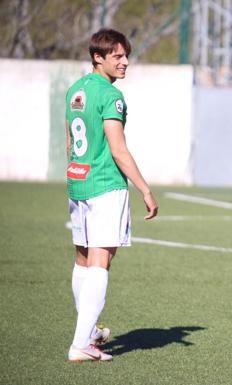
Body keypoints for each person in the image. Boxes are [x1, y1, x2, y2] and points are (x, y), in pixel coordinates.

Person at [65, 28, 158, 362]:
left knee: (82, 259)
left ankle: (87, 333)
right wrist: (145, 189)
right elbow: (118, 150)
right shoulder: (110, 96)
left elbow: (69, 143)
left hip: (79, 183)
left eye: (125, 55)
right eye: (117, 56)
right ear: (97, 57)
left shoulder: (75, 90)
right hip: (105, 185)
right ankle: (82, 343)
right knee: (100, 262)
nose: (125, 62)